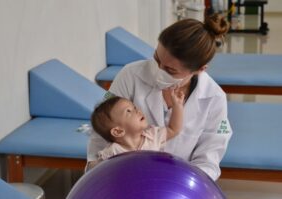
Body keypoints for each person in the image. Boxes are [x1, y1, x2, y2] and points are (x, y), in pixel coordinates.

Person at [87, 13, 232, 181]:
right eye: (156, 58)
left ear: (200, 69)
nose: (157, 70)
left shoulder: (214, 98)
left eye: (170, 70)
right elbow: (103, 127)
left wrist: (181, 185)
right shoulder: (130, 74)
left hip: (179, 184)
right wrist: (96, 172)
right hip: (125, 178)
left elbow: (209, 157)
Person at [90, 89, 184, 166]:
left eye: (134, 107)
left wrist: (178, 106)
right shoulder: (113, 152)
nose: (137, 111)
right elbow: (98, 172)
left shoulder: (152, 136)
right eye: (129, 111)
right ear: (118, 131)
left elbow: (173, 129)